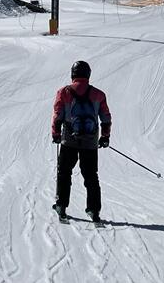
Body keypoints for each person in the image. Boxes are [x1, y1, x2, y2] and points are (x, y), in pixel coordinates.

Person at [50, 60, 112, 222]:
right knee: (91, 176)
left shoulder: (63, 92)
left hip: (69, 140)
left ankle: (61, 205)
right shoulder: (99, 94)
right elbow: (105, 118)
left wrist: (56, 134)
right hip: (90, 142)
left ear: (73, 74)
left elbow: (58, 116)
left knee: (64, 172)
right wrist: (105, 136)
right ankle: (94, 210)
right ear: (88, 74)